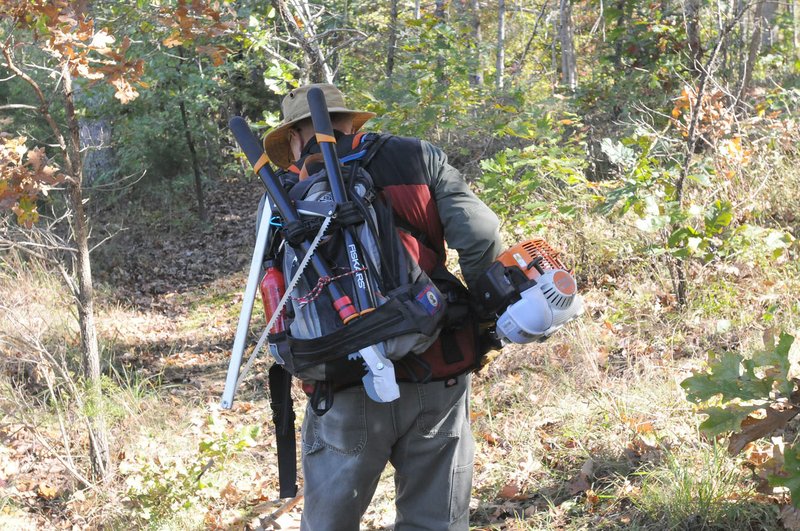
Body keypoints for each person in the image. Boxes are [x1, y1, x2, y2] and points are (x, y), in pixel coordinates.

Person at [261, 83, 503, 530]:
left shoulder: (282, 198)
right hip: (438, 364)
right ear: (351, 121)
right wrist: (484, 319)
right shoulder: (416, 157)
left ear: (293, 138)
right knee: (435, 522)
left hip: (342, 383)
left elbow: (278, 297)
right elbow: (482, 235)